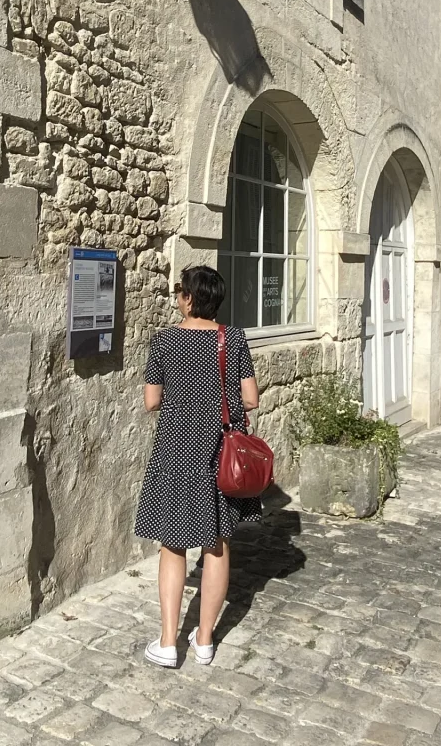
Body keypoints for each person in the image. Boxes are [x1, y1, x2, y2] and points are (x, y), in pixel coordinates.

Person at [134, 265, 261, 667]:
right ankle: (205, 640)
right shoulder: (233, 338)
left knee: (172, 543)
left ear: (189, 298)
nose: (177, 297)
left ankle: (168, 643)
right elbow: (251, 398)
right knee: (217, 542)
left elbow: (151, 401)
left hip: (176, 447)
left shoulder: (166, 340)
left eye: (180, 291)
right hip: (221, 447)